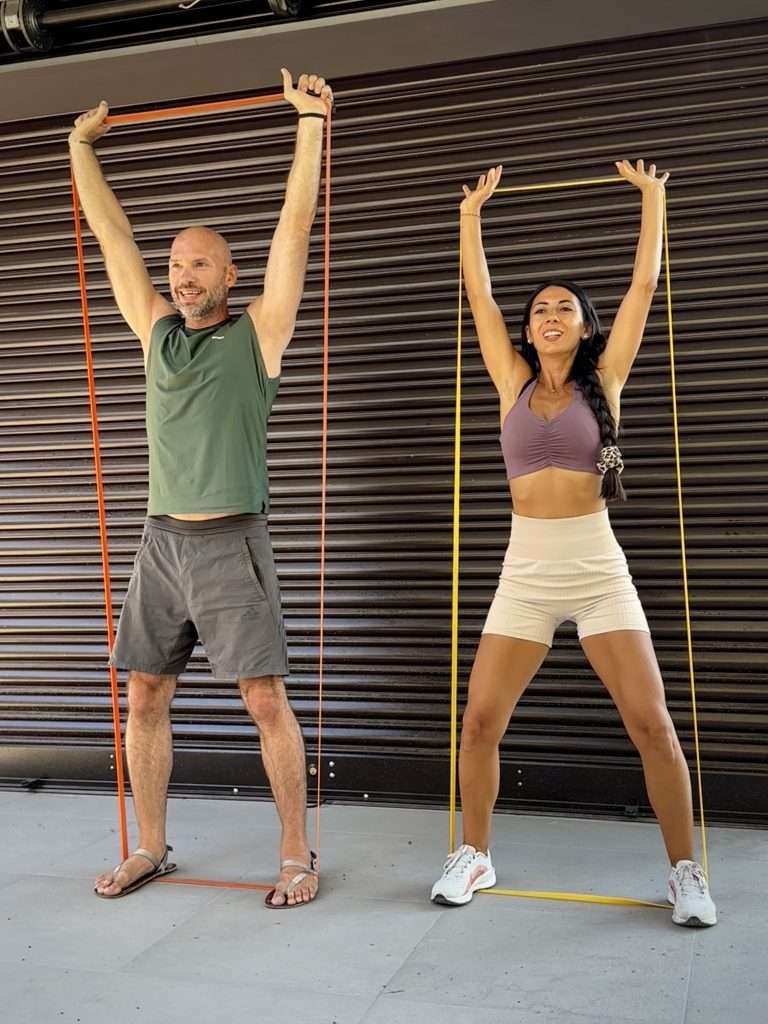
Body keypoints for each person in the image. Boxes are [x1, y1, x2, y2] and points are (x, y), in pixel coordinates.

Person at [70, 69, 333, 908]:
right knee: (143, 693)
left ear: (229, 275)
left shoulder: (259, 332)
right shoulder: (156, 334)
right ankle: (152, 844)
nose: (181, 277)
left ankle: (297, 854)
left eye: (198, 266)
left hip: (230, 540)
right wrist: (79, 150)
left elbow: (295, 226)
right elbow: (114, 240)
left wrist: (310, 124)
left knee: (263, 699)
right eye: (177, 264)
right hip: (161, 542)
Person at [430, 160, 717, 927]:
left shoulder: (608, 378)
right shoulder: (510, 380)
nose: (549, 315)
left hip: (596, 567)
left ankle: (686, 872)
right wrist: (471, 215)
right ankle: (476, 854)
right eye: (540, 310)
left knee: (652, 722)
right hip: (525, 570)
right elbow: (480, 296)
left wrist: (655, 198)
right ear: (529, 330)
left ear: (585, 326)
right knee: (481, 722)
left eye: (565, 308)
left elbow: (642, 290)